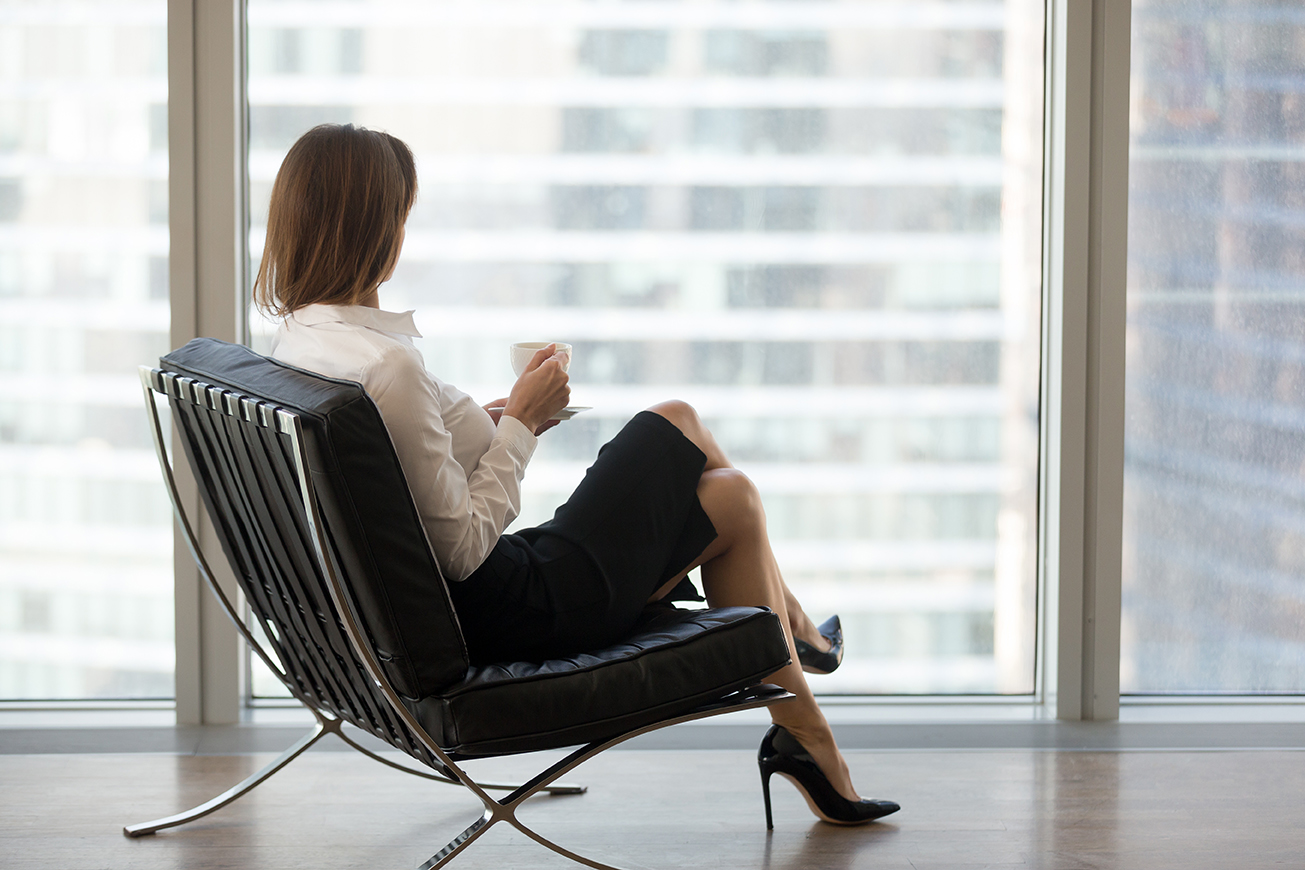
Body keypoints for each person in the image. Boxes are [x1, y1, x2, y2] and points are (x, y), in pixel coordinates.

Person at [255, 123, 899, 827]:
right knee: (678, 418)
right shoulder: (388, 367)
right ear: (378, 230)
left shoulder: (303, 342)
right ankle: (798, 653)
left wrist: (490, 417)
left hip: (464, 607)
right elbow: (463, 549)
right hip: (518, 611)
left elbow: (404, 468)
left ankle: (809, 725)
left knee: (732, 498)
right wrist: (520, 426)